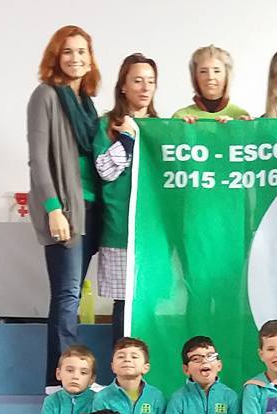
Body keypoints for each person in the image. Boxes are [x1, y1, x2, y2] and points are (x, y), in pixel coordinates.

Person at [27, 25, 102, 379]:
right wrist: (53, 208)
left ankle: (65, 377)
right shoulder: (45, 95)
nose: (76, 58)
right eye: (68, 51)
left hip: (91, 209)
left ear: (90, 59)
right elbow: (39, 160)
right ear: (56, 57)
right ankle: (61, 383)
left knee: (73, 295)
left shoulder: (87, 104)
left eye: (82, 51)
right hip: (66, 211)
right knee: (67, 297)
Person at [92, 56, 157, 341]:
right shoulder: (108, 124)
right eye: (137, 80)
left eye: (151, 81)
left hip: (153, 232)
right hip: (119, 229)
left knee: (150, 302)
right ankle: (122, 372)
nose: (145, 88)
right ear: (123, 86)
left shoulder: (160, 127)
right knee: (123, 304)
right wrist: (127, 139)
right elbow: (104, 170)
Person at [173, 45, 249, 121]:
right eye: (203, 71)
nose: (210, 77)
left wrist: (235, 128)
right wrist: (183, 129)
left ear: (227, 76)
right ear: (195, 76)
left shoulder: (240, 116)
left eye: (217, 71)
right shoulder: (181, 117)